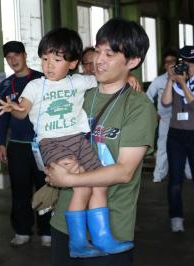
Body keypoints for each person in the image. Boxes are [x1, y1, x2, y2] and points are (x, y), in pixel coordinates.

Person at [0, 27, 137, 258]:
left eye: (56, 59)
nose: (49, 65)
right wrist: (15, 109)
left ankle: (103, 238)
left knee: (100, 184)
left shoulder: (79, 81)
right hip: (52, 143)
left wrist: (128, 76)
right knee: (81, 185)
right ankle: (78, 242)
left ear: (72, 64)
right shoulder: (35, 86)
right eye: (44, 59)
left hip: (78, 141)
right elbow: (23, 111)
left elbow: (108, 78)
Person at [45, 18, 157, 266]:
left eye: (109, 53)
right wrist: (54, 165)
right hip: (65, 220)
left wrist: (68, 179)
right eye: (97, 50)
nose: (98, 59)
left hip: (109, 227)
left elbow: (124, 171)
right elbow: (48, 132)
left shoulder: (138, 107)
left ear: (133, 61)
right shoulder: (78, 94)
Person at [0, 41, 51, 247]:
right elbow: (2, 117)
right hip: (17, 145)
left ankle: (47, 231)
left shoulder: (41, 80)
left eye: (16, 55)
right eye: (9, 58)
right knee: (19, 190)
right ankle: (22, 230)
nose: (13, 61)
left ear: (25, 55)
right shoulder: (5, 85)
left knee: (45, 187)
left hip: (42, 144)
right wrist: (2, 143)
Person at [161, 45, 194, 233]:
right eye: (186, 62)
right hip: (176, 135)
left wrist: (182, 84)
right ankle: (176, 217)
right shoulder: (174, 80)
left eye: (191, 63)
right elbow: (165, 102)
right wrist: (170, 80)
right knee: (175, 179)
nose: (188, 67)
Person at [146, 49, 192, 182]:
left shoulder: (187, 78)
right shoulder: (159, 81)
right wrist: (154, 113)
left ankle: (189, 174)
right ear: (164, 65)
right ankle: (158, 175)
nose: (170, 64)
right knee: (162, 148)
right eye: (167, 62)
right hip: (166, 119)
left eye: (173, 61)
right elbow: (147, 98)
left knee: (188, 148)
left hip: (185, 120)